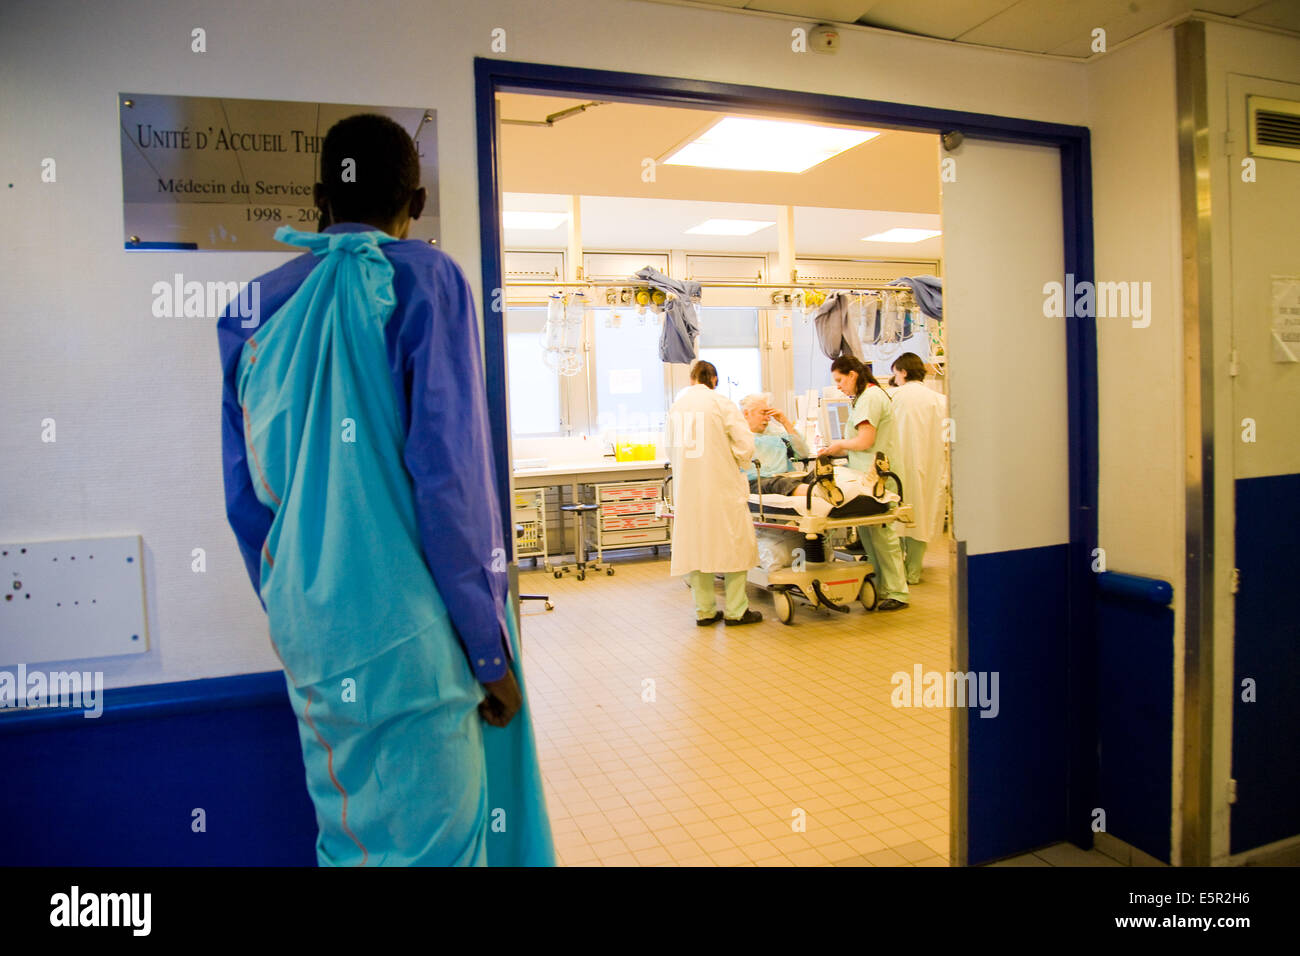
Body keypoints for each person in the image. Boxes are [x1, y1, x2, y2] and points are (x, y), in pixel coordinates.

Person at [217, 113, 553, 866]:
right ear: (419, 202)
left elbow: (247, 504)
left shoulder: (249, 311)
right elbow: (451, 486)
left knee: (350, 843)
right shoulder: (427, 279)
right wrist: (489, 657)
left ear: (316, 199)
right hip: (415, 640)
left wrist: (300, 611)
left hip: (314, 638)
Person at [664, 361, 762, 626]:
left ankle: (705, 611)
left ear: (692, 379)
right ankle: (736, 611)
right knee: (734, 544)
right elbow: (744, 445)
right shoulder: (721, 403)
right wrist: (738, 462)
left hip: (688, 490)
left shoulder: (676, 407)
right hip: (721, 487)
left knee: (696, 547)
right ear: (714, 379)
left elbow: (669, 451)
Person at [821, 355, 910, 611]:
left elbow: (864, 441)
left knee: (883, 535)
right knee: (870, 535)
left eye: (840, 380)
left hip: (877, 477)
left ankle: (897, 591)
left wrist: (837, 445)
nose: (839, 386)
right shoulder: (866, 397)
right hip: (867, 476)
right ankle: (883, 586)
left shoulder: (870, 398)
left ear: (853, 375)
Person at [889, 352, 948, 584]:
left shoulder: (893, 396)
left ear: (903, 372)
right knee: (923, 512)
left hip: (900, 464)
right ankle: (914, 570)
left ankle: (900, 571)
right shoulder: (939, 399)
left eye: (895, 374)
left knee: (899, 514)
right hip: (932, 465)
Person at [739, 393, 809, 481]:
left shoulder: (776, 433)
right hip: (760, 482)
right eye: (763, 413)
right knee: (781, 484)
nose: (768, 418)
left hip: (786, 478)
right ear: (746, 413)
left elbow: (803, 454)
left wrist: (785, 422)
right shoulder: (738, 436)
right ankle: (813, 491)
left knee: (818, 476)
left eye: (769, 414)